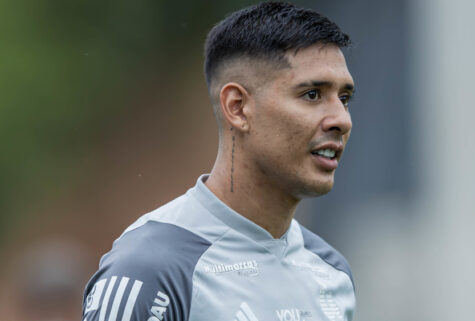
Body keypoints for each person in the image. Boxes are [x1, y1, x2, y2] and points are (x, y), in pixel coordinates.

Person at [81, 2, 356, 320]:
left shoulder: (331, 270)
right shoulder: (150, 269)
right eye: (312, 94)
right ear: (238, 108)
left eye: (344, 98)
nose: (341, 119)